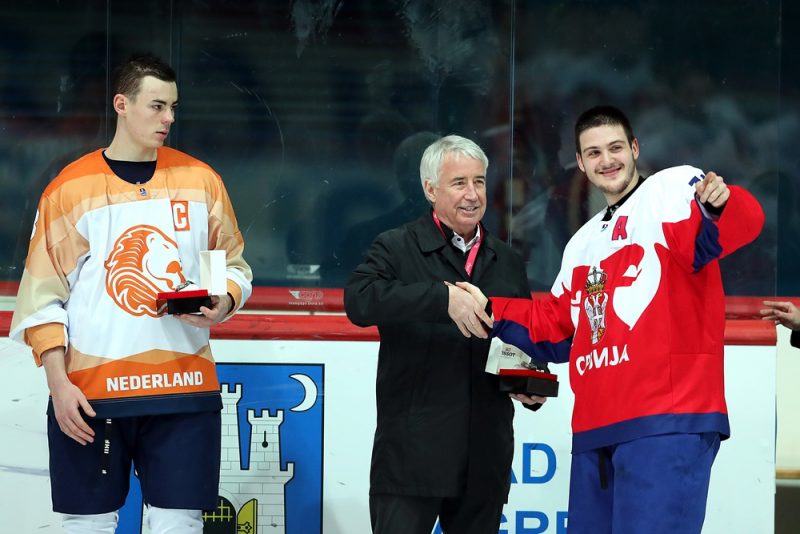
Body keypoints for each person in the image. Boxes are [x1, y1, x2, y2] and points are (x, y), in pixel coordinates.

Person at [457, 105, 765, 533]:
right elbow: (558, 326)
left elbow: (738, 223)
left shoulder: (671, 189)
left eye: (616, 147)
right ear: (580, 163)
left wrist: (720, 205)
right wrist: (487, 309)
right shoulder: (583, 242)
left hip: (665, 422)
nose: (608, 160)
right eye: (595, 152)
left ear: (635, 148)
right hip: (595, 429)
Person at [9, 54, 252, 534]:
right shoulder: (70, 189)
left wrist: (221, 298)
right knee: (87, 524)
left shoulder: (201, 181)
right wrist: (59, 385)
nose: (169, 119)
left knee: (179, 523)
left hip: (183, 391)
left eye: (174, 108)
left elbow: (232, 266)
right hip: (91, 395)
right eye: (157, 106)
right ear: (122, 104)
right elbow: (41, 298)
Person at [344, 135, 545, 534]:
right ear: (429, 189)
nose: (472, 195)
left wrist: (531, 384)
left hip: (483, 461)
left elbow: (521, 345)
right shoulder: (396, 246)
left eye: (480, 182)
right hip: (411, 461)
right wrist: (442, 299)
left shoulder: (507, 261)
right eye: (459, 183)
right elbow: (359, 301)